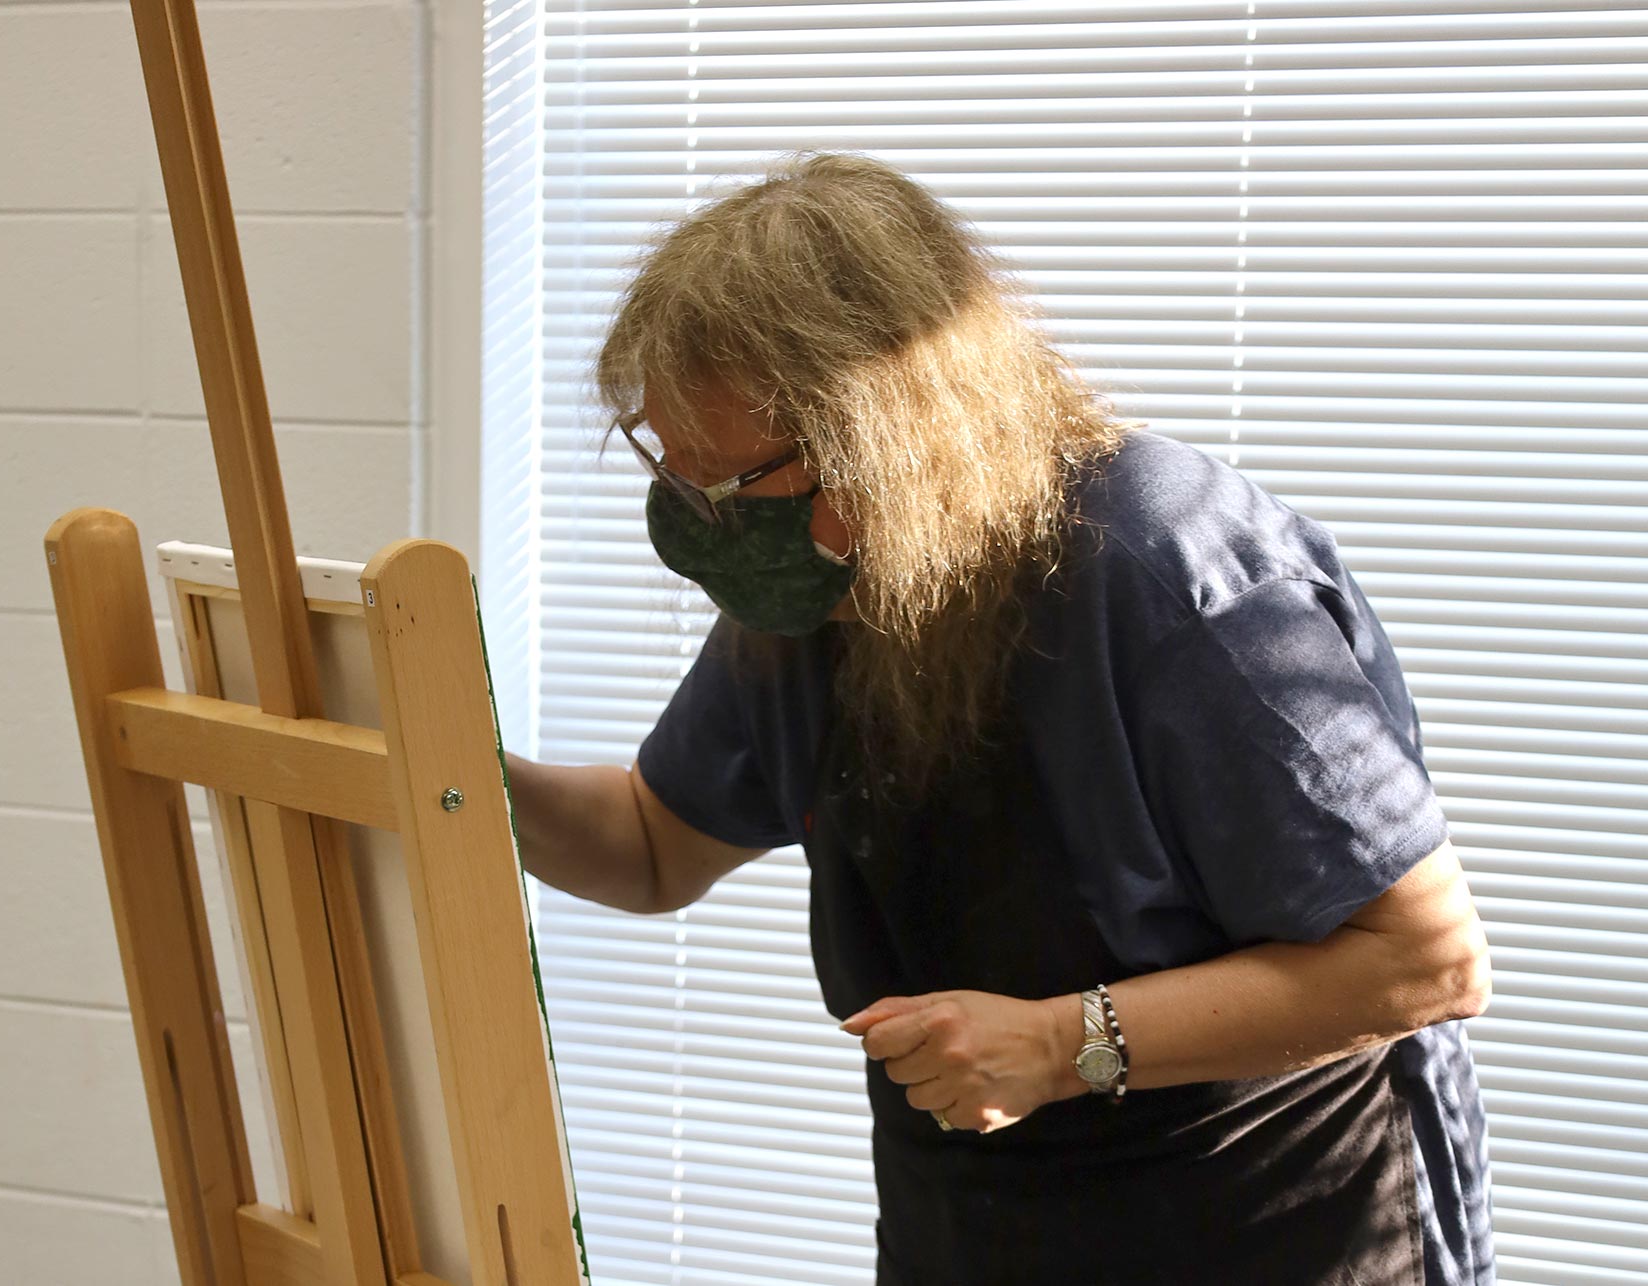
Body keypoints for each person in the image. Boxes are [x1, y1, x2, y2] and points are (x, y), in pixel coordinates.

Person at [505, 150, 1495, 1285]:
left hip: (1267, 1225)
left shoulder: (1171, 574)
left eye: (727, 487)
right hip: (976, 1229)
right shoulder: (824, 591)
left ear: (880, 441)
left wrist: (1060, 1041)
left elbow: (1427, 957)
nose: (695, 522)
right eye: (669, 470)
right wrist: (453, 772)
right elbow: (651, 841)